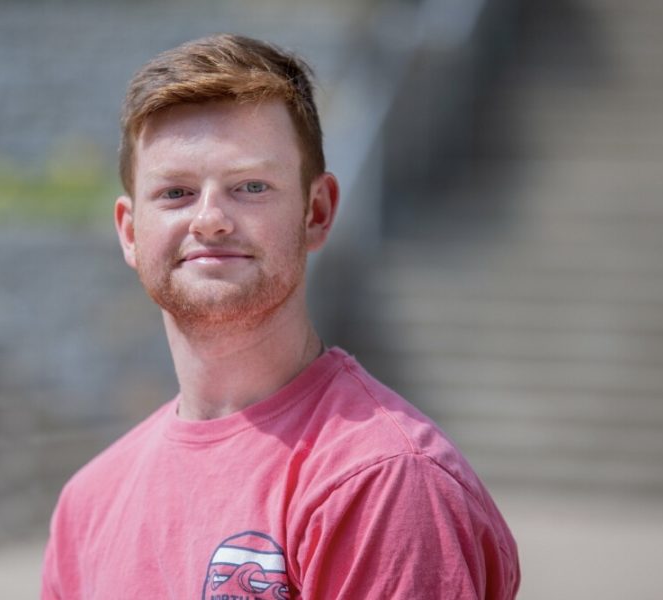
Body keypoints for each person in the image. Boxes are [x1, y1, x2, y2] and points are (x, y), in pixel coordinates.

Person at [41, 33, 520, 599]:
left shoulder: (382, 481)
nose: (211, 219)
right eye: (175, 193)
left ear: (317, 212)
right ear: (129, 231)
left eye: (250, 186)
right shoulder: (88, 504)